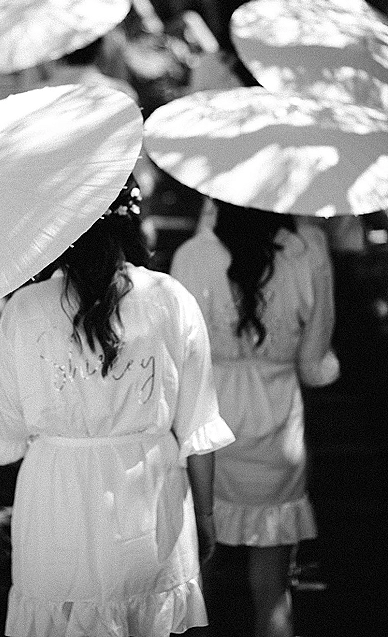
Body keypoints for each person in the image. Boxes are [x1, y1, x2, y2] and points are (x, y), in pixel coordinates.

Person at [0, 178, 234, 637]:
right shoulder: (169, 298)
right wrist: (207, 517)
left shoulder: (26, 308)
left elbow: (6, 426)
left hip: (57, 503)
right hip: (148, 503)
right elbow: (199, 425)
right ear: (132, 227)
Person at [170, 198, 339, 637]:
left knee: (194, 588)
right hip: (278, 433)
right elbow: (314, 367)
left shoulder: (192, 256)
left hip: (207, 433)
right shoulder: (308, 250)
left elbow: (177, 362)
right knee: (273, 591)